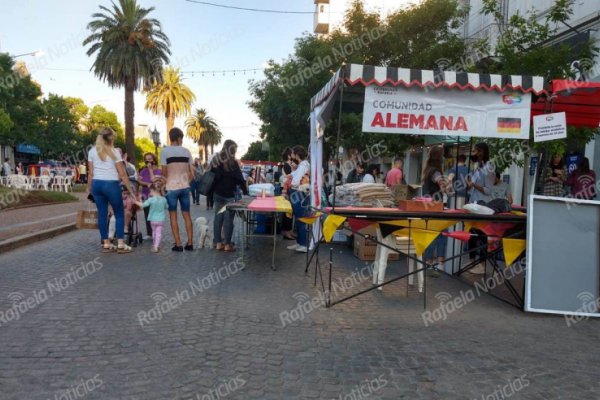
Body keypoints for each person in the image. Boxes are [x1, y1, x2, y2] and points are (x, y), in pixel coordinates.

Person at [86, 127, 135, 253]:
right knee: (119, 214)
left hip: (97, 184)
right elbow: (123, 173)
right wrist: (130, 190)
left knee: (102, 214)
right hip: (111, 184)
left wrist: (89, 188)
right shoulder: (114, 152)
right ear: (111, 138)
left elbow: (90, 173)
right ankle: (120, 244)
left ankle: (106, 243)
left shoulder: (92, 151)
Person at [161, 127, 195, 252]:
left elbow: (164, 173)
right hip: (185, 187)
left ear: (171, 138)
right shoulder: (186, 152)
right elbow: (193, 172)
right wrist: (187, 181)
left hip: (171, 188)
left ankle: (178, 244)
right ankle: (190, 243)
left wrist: (162, 186)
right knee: (187, 215)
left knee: (173, 216)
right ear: (179, 138)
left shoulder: (165, 152)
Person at [211, 140, 247, 252]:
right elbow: (240, 179)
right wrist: (245, 191)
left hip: (217, 194)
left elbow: (211, 176)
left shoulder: (216, 160)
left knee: (218, 219)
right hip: (230, 196)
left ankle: (218, 243)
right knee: (228, 220)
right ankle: (227, 245)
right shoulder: (233, 163)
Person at [466, 143, 495, 274]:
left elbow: (488, 190)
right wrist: (470, 185)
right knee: (472, 234)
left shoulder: (489, 167)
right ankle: (472, 262)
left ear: (481, 152)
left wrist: (474, 185)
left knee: (482, 235)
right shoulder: (477, 167)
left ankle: (482, 264)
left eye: (474, 151)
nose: (472, 153)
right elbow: (473, 186)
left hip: (482, 206)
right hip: (474, 205)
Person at [421, 145, 450, 273]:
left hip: (427, 206)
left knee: (429, 234)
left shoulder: (427, 170)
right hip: (436, 206)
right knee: (442, 235)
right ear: (439, 157)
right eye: (442, 155)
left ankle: (428, 262)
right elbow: (444, 188)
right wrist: (449, 180)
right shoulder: (436, 172)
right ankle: (439, 263)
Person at [287, 145, 310, 253]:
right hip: (298, 194)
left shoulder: (303, 165)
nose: (291, 156)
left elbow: (295, 181)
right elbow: (292, 175)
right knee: (298, 219)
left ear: (296, 155)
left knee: (301, 219)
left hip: (300, 194)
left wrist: (290, 182)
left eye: (292, 153)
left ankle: (304, 244)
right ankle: (299, 242)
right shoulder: (302, 165)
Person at [135, 183, 167, 253]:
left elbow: (143, 205)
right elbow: (167, 207)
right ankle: (156, 245)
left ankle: (154, 245)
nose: (150, 193)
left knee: (154, 232)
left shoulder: (151, 199)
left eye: (150, 191)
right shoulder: (163, 199)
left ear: (153, 190)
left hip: (153, 219)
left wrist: (136, 201)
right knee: (159, 233)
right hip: (161, 220)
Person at [138, 152, 163, 240]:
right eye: (146, 159)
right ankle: (149, 233)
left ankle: (156, 232)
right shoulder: (143, 171)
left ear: (154, 160)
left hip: (155, 196)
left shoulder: (158, 171)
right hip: (145, 195)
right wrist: (146, 184)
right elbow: (139, 181)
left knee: (155, 215)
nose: (148, 161)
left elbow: (155, 181)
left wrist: (150, 170)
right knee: (147, 214)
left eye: (150, 159)